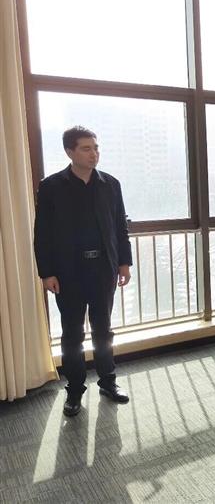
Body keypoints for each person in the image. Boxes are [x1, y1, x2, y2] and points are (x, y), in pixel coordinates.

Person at [34, 126, 132, 417]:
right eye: (86, 148)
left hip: (103, 268)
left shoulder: (110, 184)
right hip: (68, 272)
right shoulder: (51, 186)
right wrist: (46, 272)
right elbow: (42, 233)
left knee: (103, 329)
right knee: (72, 333)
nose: (94, 154)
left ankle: (108, 382)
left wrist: (124, 263)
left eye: (96, 148)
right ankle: (75, 389)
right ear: (70, 151)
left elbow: (120, 226)